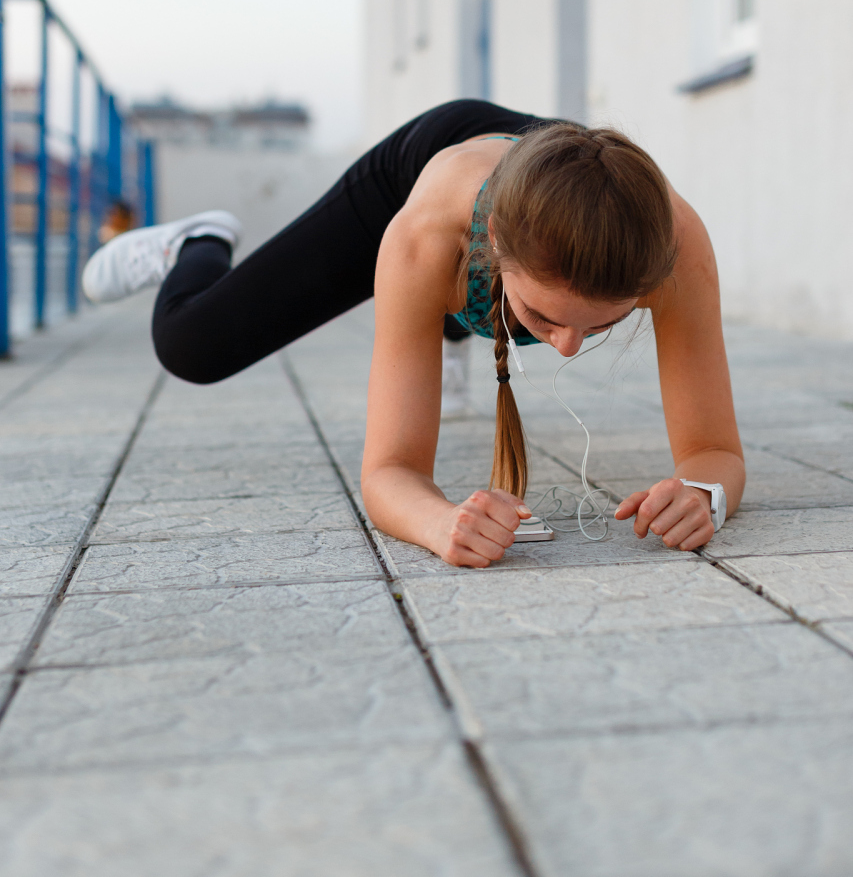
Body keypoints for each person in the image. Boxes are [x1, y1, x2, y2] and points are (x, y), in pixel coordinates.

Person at [82, 99, 745, 567]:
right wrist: (438, 521)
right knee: (191, 345)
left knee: (506, 310)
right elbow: (389, 471)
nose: (567, 348)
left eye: (602, 325)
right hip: (421, 162)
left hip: (566, 189)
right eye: (542, 322)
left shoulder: (673, 245)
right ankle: (195, 242)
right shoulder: (425, 239)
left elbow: (716, 451)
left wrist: (703, 494)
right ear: (490, 253)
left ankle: (462, 335)